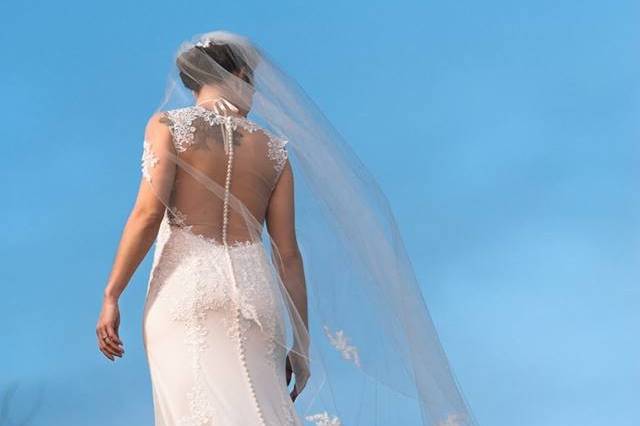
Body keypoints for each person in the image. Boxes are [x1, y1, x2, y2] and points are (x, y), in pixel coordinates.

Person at [96, 30, 478, 426]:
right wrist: (302, 344)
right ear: (241, 73)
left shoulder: (168, 126)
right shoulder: (273, 150)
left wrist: (112, 293)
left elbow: (146, 214)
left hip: (185, 291)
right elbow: (288, 255)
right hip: (256, 298)